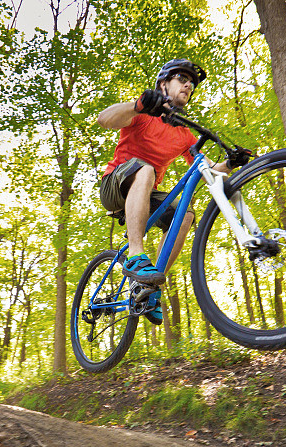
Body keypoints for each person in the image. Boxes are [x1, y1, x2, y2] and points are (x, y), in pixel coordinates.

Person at [97, 59, 249, 325]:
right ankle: (135, 255)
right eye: (181, 78)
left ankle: (150, 289)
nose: (188, 85)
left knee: (185, 215)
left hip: (144, 193)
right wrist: (137, 105)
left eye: (191, 83)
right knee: (146, 170)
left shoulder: (184, 135)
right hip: (114, 184)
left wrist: (231, 163)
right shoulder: (143, 113)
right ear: (163, 84)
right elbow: (104, 119)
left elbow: (210, 170)